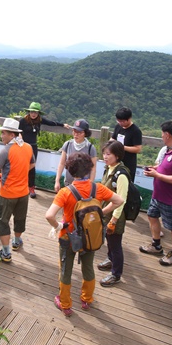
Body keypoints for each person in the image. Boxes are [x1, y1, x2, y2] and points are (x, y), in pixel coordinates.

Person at [45, 152, 123, 316]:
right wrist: (101, 213)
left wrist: (59, 226)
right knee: (88, 267)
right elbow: (119, 201)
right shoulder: (98, 188)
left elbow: (49, 215)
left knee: (66, 270)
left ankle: (65, 304)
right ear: (89, 169)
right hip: (90, 236)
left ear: (70, 171)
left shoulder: (66, 192)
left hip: (68, 237)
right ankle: (86, 299)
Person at [139, 121, 172, 266]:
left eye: (163, 133)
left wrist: (157, 175)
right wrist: (155, 169)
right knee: (151, 216)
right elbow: (166, 167)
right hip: (159, 196)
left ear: (167, 135)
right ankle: (156, 245)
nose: (162, 136)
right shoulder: (170, 150)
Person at [0, 118, 35, 263]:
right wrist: (21, 173)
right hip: (23, 193)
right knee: (20, 217)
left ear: (12, 135)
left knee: (3, 221)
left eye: (3, 133)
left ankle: (6, 253)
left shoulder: (5, 151)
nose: (1, 136)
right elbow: (32, 163)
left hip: (8, 193)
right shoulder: (28, 147)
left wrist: (2, 175)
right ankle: (17, 241)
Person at [18, 102, 69, 198]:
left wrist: (62, 125)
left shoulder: (39, 120)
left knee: (32, 167)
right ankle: (21, 185)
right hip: (24, 146)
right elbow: (18, 132)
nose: (34, 114)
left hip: (33, 147)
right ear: (29, 112)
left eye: (36, 112)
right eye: (32, 112)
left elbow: (51, 123)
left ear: (38, 113)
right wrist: (20, 142)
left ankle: (31, 187)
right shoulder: (23, 121)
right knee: (22, 165)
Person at [97, 141, 130, 287]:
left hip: (115, 216)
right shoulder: (109, 168)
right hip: (107, 213)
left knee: (116, 245)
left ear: (117, 156)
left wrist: (114, 220)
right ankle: (110, 260)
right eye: (104, 153)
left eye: (108, 154)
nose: (105, 156)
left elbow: (121, 200)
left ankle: (116, 274)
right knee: (109, 241)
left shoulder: (121, 175)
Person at [54, 119, 97, 192]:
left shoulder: (90, 148)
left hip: (83, 186)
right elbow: (61, 164)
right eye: (74, 131)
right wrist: (57, 181)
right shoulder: (67, 144)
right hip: (68, 184)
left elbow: (93, 169)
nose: (76, 134)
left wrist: (90, 184)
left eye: (79, 132)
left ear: (85, 133)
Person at [111, 107, 143, 182]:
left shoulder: (136, 131)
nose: (120, 123)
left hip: (128, 164)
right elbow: (113, 138)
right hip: (116, 161)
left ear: (129, 119)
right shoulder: (118, 126)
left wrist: (122, 147)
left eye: (122, 121)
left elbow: (138, 149)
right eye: (118, 121)